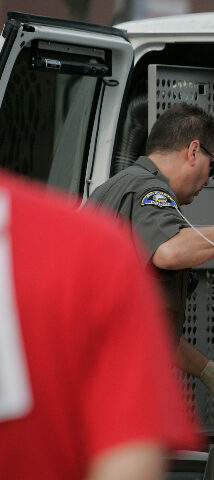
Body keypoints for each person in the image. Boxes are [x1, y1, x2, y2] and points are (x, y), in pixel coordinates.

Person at [0, 171, 200, 480]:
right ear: (193, 151)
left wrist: (208, 371)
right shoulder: (91, 246)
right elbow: (129, 455)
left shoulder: (101, 216)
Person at [89, 103, 214, 423]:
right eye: (213, 167)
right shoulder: (150, 190)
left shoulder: (117, 187)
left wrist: (209, 372)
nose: (207, 180)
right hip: (116, 383)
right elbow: (170, 251)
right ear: (194, 151)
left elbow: (146, 326)